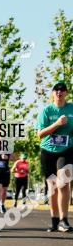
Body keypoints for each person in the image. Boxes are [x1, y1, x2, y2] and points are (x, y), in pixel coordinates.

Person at [36, 81, 73, 232]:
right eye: (56, 90)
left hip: (67, 150)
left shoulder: (71, 108)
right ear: (52, 93)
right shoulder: (46, 111)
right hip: (48, 151)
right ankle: (54, 220)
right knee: (52, 186)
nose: (59, 92)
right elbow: (40, 134)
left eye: (62, 89)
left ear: (67, 93)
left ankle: (64, 220)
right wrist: (57, 124)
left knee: (63, 183)